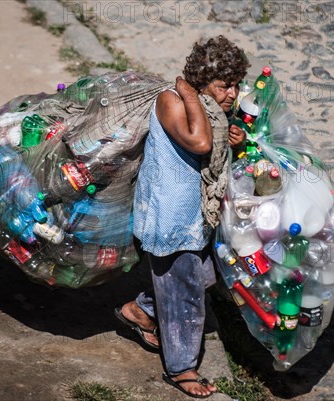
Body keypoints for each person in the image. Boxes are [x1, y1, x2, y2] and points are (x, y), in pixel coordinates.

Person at [115, 35, 250, 398]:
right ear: (201, 82)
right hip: (171, 217)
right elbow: (201, 142)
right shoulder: (171, 100)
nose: (232, 94)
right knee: (186, 295)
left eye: (236, 85)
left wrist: (231, 137)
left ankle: (140, 311)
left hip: (195, 219)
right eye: (224, 86)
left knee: (204, 277)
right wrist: (187, 91)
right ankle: (182, 368)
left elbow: (213, 142)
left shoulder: (209, 108)